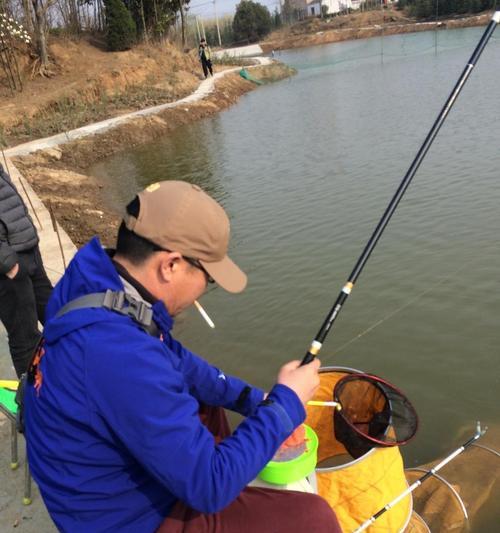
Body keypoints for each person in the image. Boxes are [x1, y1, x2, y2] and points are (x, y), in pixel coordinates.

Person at [24, 181, 341, 532]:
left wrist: (256, 401)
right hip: (117, 521)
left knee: (207, 402)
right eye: (208, 276)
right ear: (171, 265)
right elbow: (209, 488)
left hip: (86, 485)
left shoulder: (93, 282)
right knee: (315, 518)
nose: (205, 288)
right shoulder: (120, 355)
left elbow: (178, 360)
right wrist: (285, 406)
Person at [0, 163, 52, 378]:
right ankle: (32, 401)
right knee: (25, 337)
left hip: (28, 250)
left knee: (58, 316)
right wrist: (7, 262)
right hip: (9, 265)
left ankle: (66, 380)